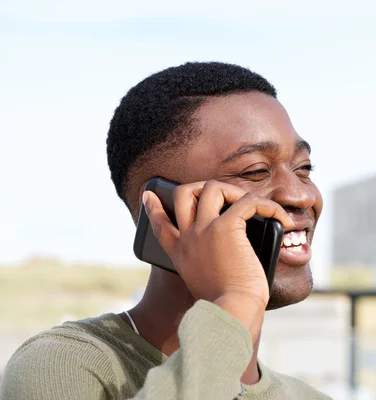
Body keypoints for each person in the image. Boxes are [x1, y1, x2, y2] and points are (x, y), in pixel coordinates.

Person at [0, 62, 331, 399]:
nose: (302, 194)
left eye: (303, 168)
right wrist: (234, 299)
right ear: (166, 208)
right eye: (256, 170)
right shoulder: (63, 366)